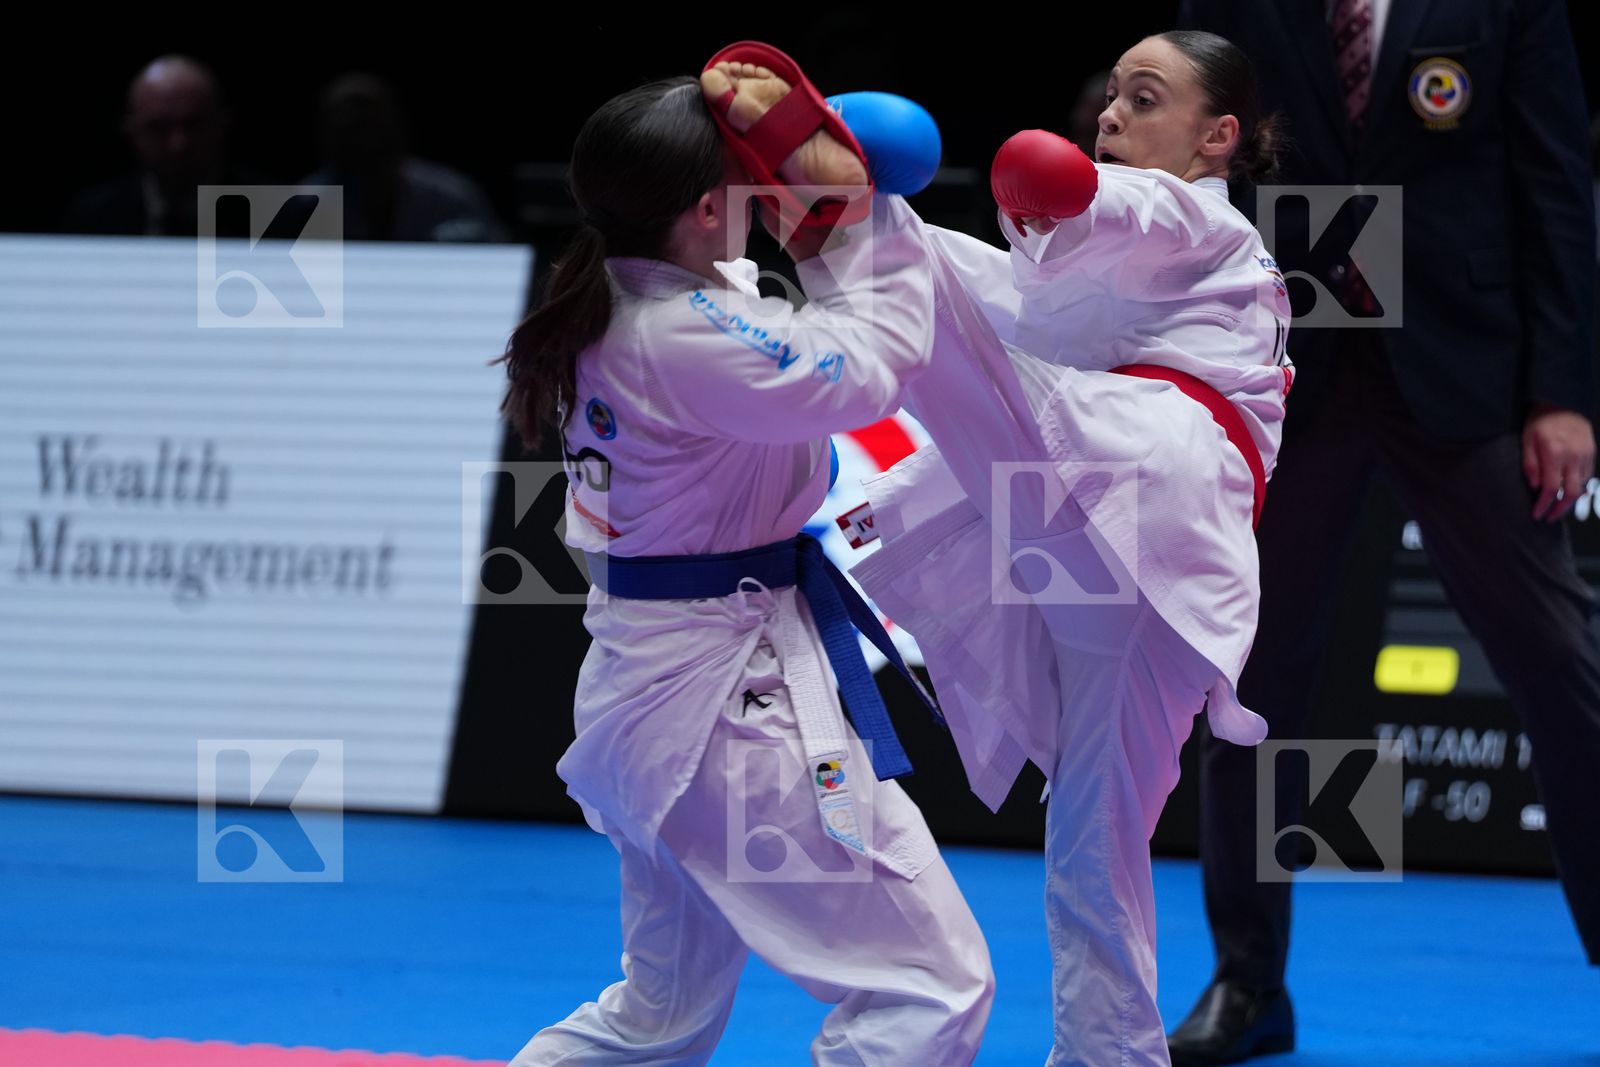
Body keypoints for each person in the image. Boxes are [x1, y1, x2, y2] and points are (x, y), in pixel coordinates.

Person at [500, 66, 992, 1067]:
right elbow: (869, 368)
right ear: (701, 208)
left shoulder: (633, 295)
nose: (765, 182)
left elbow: (785, 324)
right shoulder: (682, 335)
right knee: (929, 985)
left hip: (661, 693)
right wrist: (857, 219)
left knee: (659, 1018)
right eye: (745, 174)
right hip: (725, 713)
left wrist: (805, 213)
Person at [846, 30, 1292, 1067]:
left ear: (1218, 137)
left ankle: (834, 214)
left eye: (1146, 99)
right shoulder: (1117, 276)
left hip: (1148, 486)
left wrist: (1048, 191)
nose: (1113, 114)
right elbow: (1020, 296)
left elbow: (1110, 209)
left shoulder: (1200, 218)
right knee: (1093, 849)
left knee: (942, 307)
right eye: (1112, 96)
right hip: (1149, 577)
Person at [1168, 3, 1600, 1062]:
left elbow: (1554, 184)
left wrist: (1563, 392)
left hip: (1463, 368)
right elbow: (1189, 166)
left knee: (1562, 670)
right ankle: (1247, 981)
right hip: (1280, 371)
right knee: (1249, 689)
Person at [64, 55, 269, 237]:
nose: (178, 144)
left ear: (221, 124)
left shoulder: (272, 214)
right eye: (158, 128)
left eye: (193, 125)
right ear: (131, 128)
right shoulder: (93, 218)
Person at [301, 74, 508, 242]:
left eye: (373, 126)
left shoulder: (450, 199)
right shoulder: (303, 204)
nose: (364, 143)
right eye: (349, 132)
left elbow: (496, 256)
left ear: (397, 130)